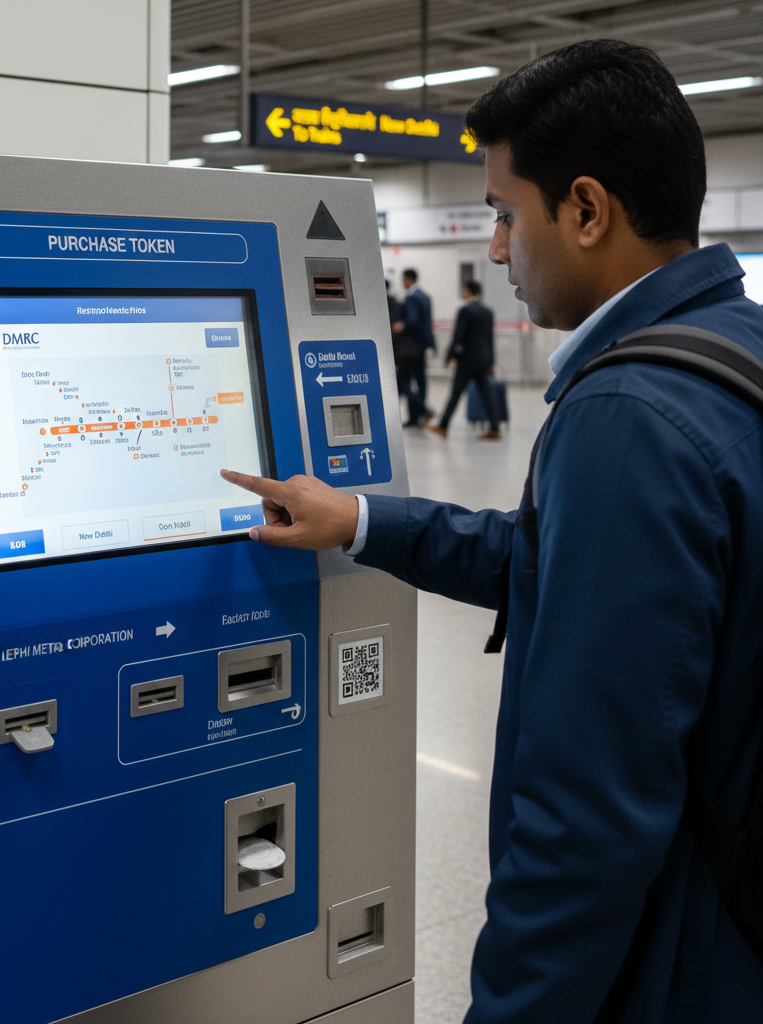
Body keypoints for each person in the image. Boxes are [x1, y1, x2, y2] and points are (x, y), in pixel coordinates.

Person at [222, 39, 763, 1023]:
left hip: (684, 964)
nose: (500, 249)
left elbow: (585, 823)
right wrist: (366, 521)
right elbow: (558, 567)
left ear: (587, 210)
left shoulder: (628, 419)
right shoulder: (736, 351)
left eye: (507, 215)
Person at [427, 280, 501, 439]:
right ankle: (495, 428)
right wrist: (492, 361)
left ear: (468, 291)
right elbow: (490, 338)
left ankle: (443, 426)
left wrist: (450, 356)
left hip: (467, 360)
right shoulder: (488, 311)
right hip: (483, 359)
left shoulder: (465, 311)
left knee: (455, 393)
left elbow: (458, 336)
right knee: (487, 394)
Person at [392, 268, 436, 424]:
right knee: (421, 380)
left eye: (404, 280)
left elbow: (413, 320)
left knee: (405, 381)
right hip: (423, 345)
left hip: (410, 347)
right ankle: (420, 415)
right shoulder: (425, 296)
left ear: (408, 279)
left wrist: (401, 325)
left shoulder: (411, 298)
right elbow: (427, 323)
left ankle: (418, 412)